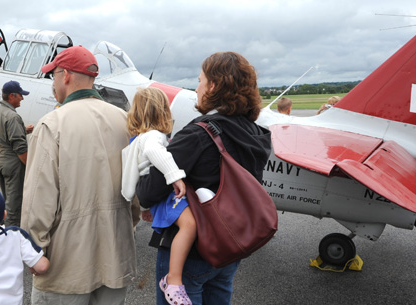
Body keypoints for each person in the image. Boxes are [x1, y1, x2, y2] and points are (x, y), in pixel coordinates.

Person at [136, 52, 272, 305]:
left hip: (191, 255)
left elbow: (147, 192)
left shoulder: (200, 133)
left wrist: (139, 167)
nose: (196, 87)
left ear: (213, 85)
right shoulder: (256, 133)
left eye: (200, 80)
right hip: (229, 250)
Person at [21, 46, 137, 304]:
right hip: (116, 256)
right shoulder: (125, 121)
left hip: (66, 268)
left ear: (66, 76)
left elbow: (37, 201)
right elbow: (136, 197)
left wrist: (33, 250)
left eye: (54, 75)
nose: (53, 82)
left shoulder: (51, 124)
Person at [121, 87, 193, 305]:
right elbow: (155, 153)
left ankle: (173, 279)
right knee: (190, 225)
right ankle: (173, 280)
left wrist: (144, 209)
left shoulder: (139, 138)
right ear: (162, 111)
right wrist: (175, 177)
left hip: (148, 190)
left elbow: (137, 173)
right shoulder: (154, 136)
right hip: (161, 189)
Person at [0, 80, 34, 227]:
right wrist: (31, 167)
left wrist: (22, 130)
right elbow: (19, 148)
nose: (22, 98)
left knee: (7, 198)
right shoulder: (13, 117)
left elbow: (2, 134)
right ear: (12, 96)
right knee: (15, 205)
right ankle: (12, 235)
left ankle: (4, 227)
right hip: (13, 163)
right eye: (20, 95)